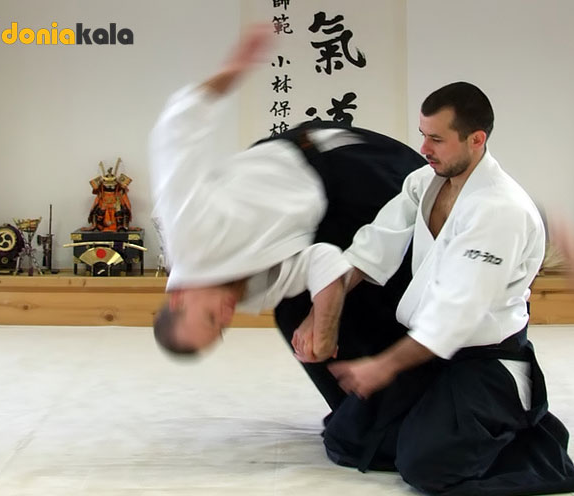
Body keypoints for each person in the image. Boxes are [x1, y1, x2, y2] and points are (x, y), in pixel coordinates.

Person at [294, 82, 574, 495]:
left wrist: (383, 366)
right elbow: (371, 248)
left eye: (436, 139)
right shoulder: (425, 182)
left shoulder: (499, 210)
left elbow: (455, 315)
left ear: (476, 139)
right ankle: (439, 420)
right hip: (430, 353)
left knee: (427, 466)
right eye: (423, 135)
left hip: (485, 361)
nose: (424, 148)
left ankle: (522, 424)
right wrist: (319, 310)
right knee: (348, 439)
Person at [148, 26, 424, 362]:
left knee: (427, 223)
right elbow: (323, 261)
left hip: (329, 162)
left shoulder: (187, 232)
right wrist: (322, 330)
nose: (227, 317)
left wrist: (235, 68)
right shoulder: (251, 294)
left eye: (210, 317)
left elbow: (176, 128)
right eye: (221, 327)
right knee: (309, 320)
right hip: (325, 217)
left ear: (178, 298)